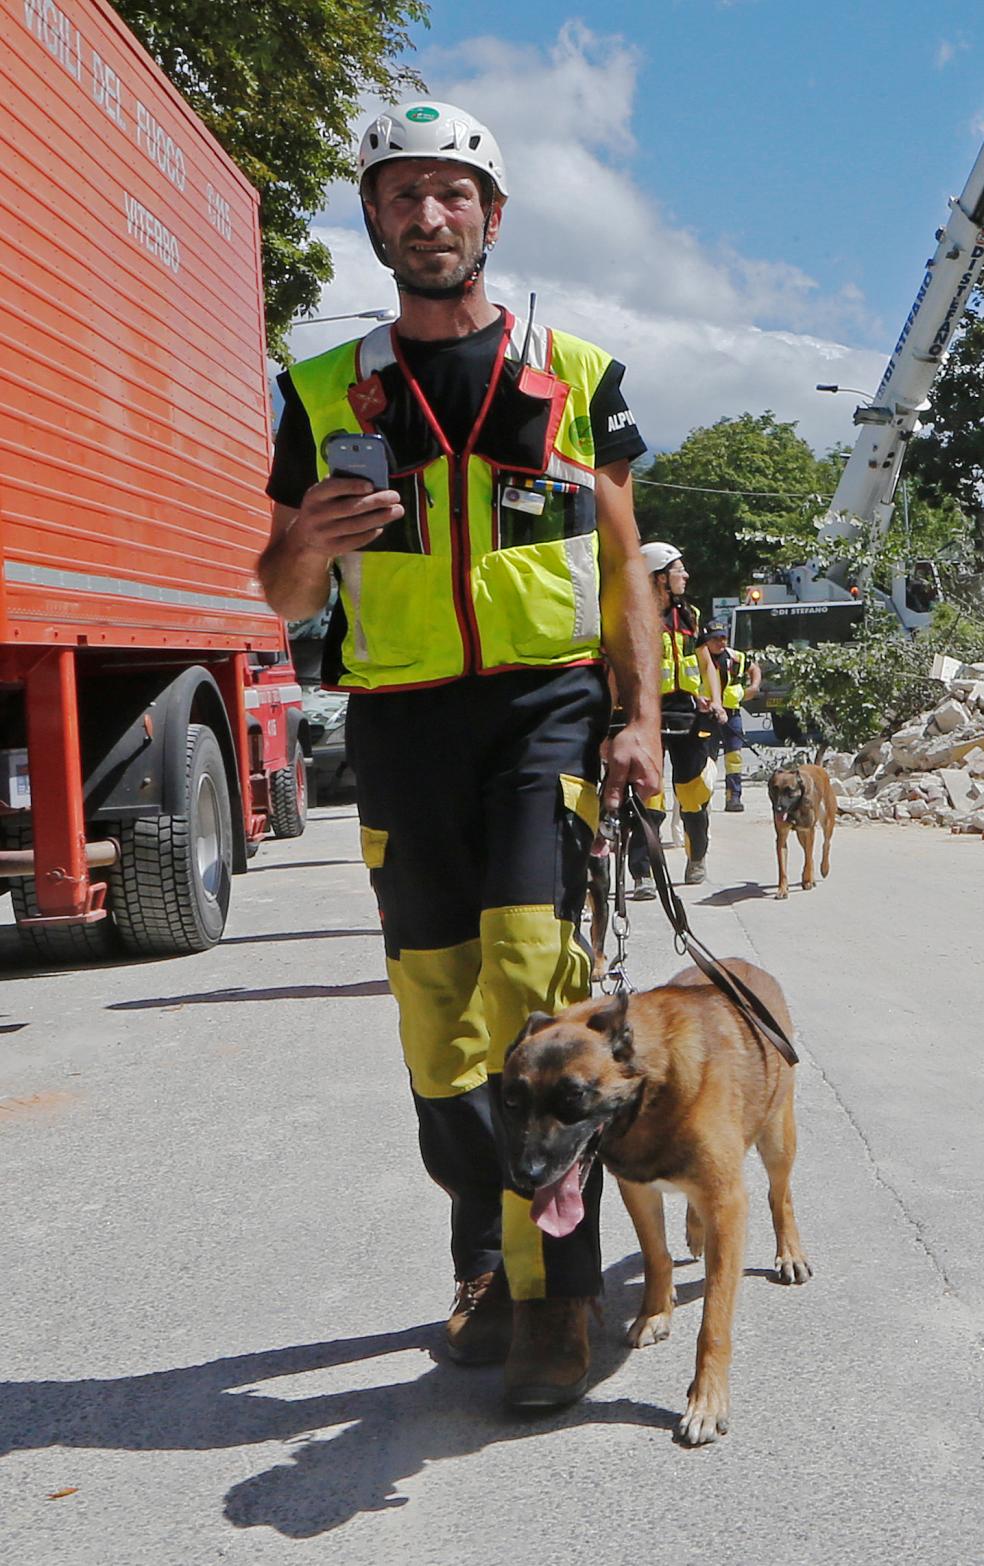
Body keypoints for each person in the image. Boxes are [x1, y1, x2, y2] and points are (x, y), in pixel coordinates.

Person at [256, 100, 661, 1408]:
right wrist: (311, 545)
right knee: (439, 1026)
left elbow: (621, 568)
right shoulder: (321, 392)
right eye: (401, 195)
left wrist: (641, 718)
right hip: (401, 720)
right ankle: (482, 1256)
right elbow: (274, 594)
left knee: (537, 993)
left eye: (452, 194)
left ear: (492, 218)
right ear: (373, 217)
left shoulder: (579, 375)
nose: (429, 216)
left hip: (544, 712)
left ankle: (559, 1303)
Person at [627, 544, 723, 887]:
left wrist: (716, 701)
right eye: (678, 569)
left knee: (694, 793)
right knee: (648, 796)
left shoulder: (691, 615)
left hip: (689, 716)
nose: (686, 575)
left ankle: (697, 857)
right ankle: (642, 873)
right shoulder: (634, 615)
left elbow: (706, 663)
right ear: (659, 577)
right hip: (648, 715)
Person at [703, 622, 760, 811]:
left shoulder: (735, 657)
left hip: (732, 713)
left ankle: (733, 797)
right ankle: (703, 797)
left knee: (734, 757)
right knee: (707, 758)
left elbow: (754, 668)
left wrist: (754, 687)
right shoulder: (700, 658)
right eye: (715, 638)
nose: (720, 642)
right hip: (708, 714)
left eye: (723, 638)